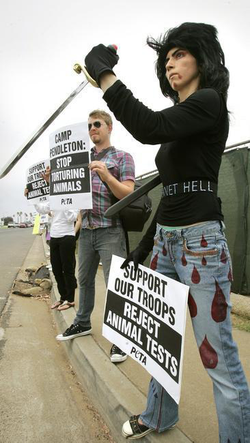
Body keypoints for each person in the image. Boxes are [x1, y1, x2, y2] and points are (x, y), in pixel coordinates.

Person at [82, 23, 250, 442]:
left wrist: (105, 74)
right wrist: (144, 246)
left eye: (180, 54)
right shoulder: (179, 122)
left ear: (202, 58)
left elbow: (148, 126)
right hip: (168, 241)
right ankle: (159, 416)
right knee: (159, 339)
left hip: (201, 244)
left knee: (217, 357)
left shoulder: (209, 103)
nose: (171, 62)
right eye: (167, 58)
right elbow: (170, 192)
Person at [56, 110, 135, 364]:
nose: (92, 128)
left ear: (109, 127)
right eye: (89, 125)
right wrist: (55, 181)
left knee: (116, 285)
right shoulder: (79, 159)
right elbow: (69, 192)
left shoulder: (122, 157)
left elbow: (128, 194)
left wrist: (107, 175)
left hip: (110, 229)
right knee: (84, 279)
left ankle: (121, 340)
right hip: (87, 230)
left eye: (97, 124)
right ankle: (82, 322)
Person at [25, 172, 79, 311]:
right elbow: (42, 209)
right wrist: (32, 199)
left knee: (68, 270)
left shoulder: (73, 199)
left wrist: (62, 201)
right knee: (56, 269)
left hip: (67, 236)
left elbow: (71, 218)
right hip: (54, 237)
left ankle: (70, 299)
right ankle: (62, 297)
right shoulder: (53, 198)